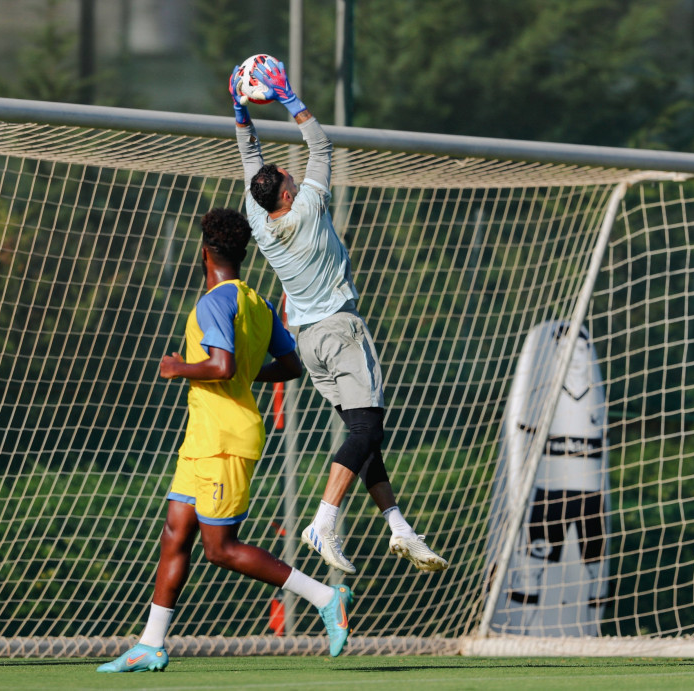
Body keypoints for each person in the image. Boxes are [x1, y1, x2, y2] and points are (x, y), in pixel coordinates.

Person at [97, 208, 354, 673]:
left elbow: (222, 367)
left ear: (204, 252)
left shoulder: (215, 302)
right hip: (202, 438)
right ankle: (150, 644)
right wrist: (248, 373)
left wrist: (178, 368)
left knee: (220, 548)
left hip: (224, 441)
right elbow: (291, 366)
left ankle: (324, 596)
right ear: (243, 252)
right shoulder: (256, 303)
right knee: (175, 533)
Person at [229, 58, 447, 575]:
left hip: (306, 340)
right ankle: (323, 522)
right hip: (340, 331)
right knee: (368, 428)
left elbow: (250, 154)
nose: (292, 171)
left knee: (361, 433)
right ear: (287, 191)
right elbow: (322, 147)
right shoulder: (305, 207)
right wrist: (289, 99)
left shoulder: (259, 217)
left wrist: (240, 107)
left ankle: (398, 526)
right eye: (288, 174)